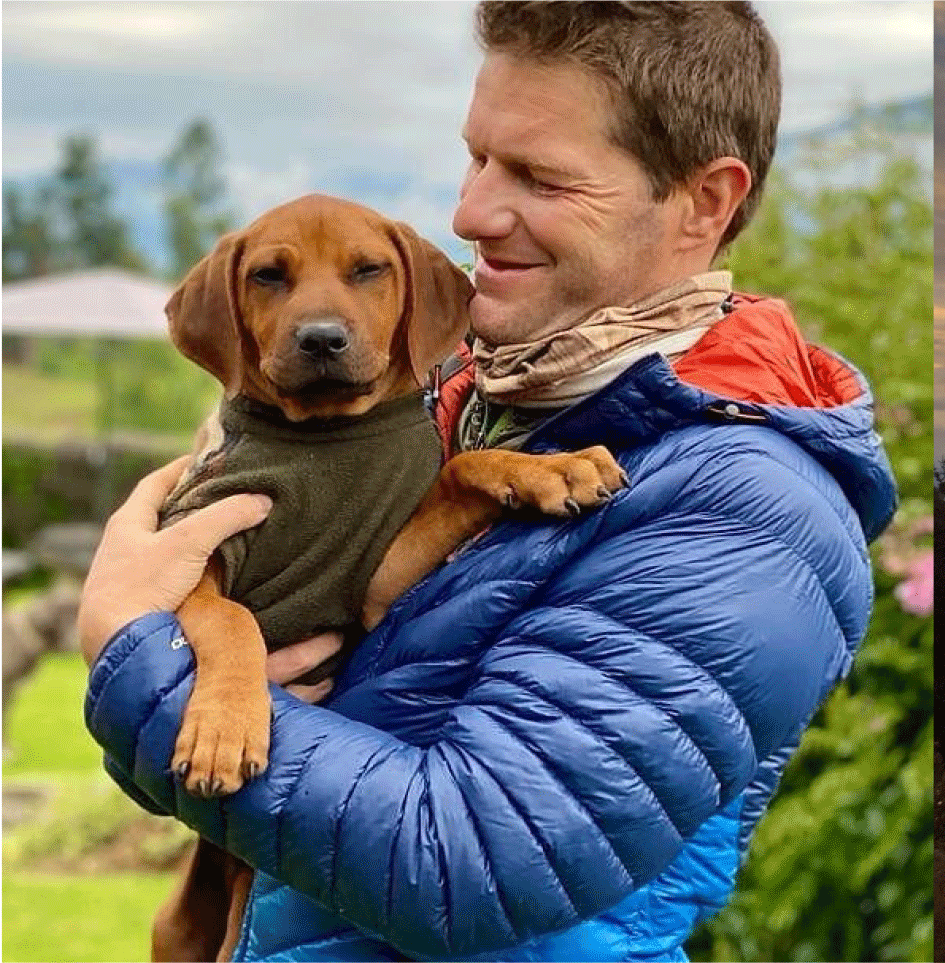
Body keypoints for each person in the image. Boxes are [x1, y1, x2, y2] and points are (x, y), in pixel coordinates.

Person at [75, 3, 897, 959]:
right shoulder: (453, 407)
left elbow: (469, 864)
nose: (470, 214)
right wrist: (181, 681)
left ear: (704, 202)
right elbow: (196, 761)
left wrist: (135, 650)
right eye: (477, 159)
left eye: (541, 177)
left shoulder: (747, 509)